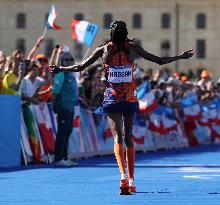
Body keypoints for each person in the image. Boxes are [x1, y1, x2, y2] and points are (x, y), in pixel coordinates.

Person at [52, 20, 194, 194]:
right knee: (128, 137)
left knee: (119, 137)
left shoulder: (105, 49)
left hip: (113, 98)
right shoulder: (131, 48)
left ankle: (123, 176)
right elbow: (159, 60)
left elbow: (80, 66)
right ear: (125, 32)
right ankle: (131, 179)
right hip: (128, 98)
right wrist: (180, 56)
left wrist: (61, 69)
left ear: (111, 33)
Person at [52, 51, 78, 167]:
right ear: (61, 62)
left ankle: (65, 157)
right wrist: (54, 106)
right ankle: (58, 159)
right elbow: (55, 92)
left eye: (71, 59)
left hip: (71, 108)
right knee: (62, 133)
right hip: (63, 107)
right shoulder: (61, 74)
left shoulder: (72, 75)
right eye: (66, 60)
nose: (69, 62)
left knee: (67, 132)